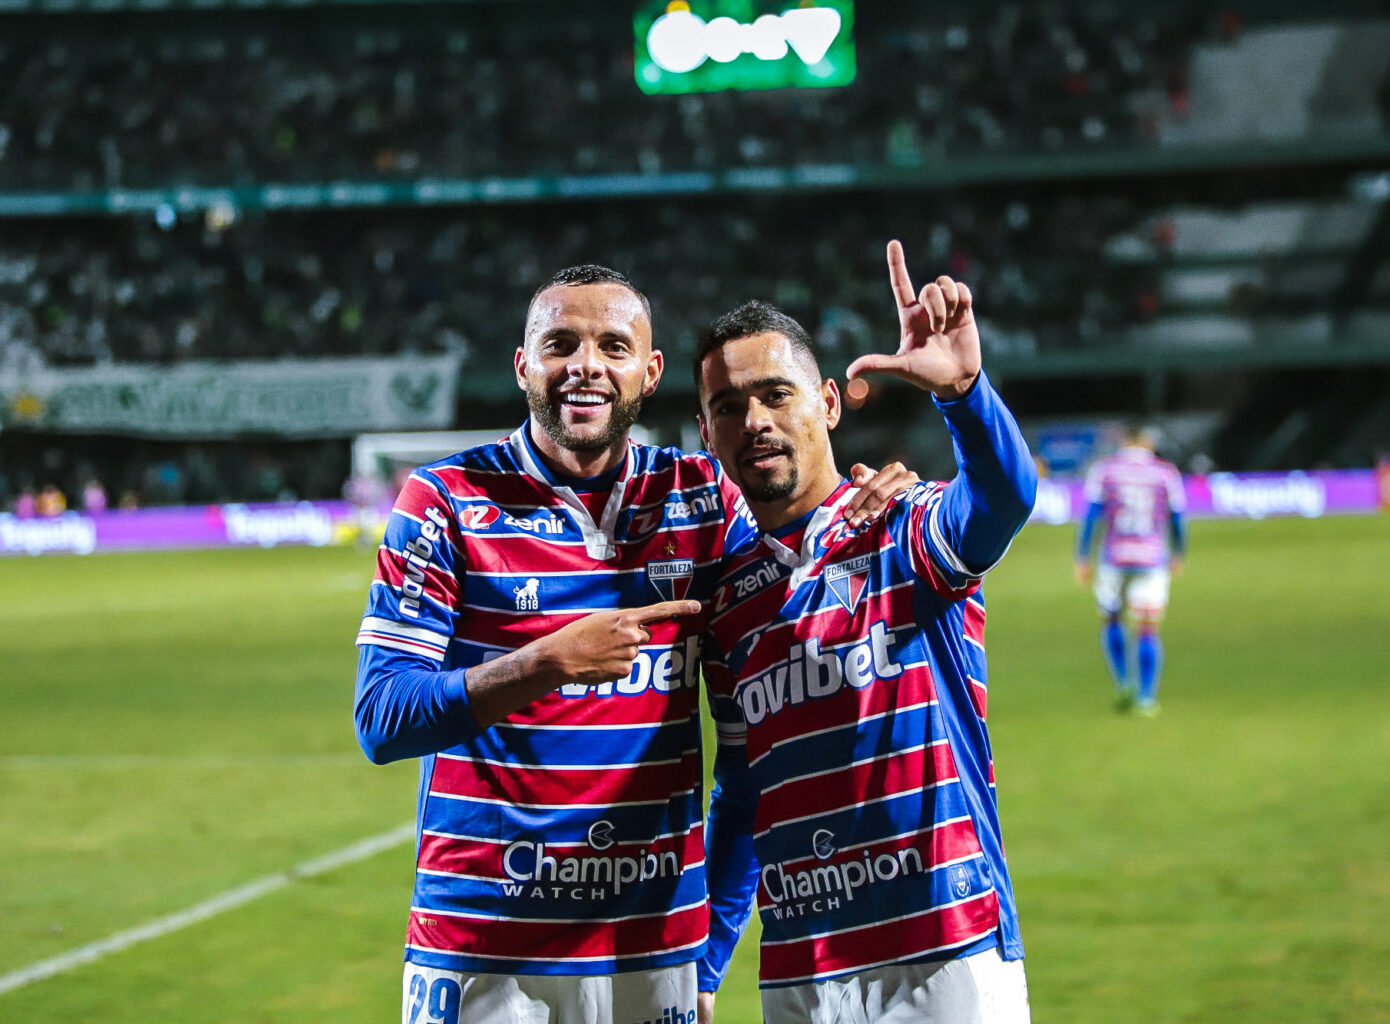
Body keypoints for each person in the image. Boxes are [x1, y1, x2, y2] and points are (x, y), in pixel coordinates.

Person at [353, 264, 915, 1024]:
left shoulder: (702, 500)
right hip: (485, 946)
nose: (585, 365)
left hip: (654, 955)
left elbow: (750, 754)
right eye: (560, 344)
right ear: (523, 366)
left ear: (648, 373)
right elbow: (383, 718)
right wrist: (546, 662)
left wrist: (866, 519)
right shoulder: (445, 500)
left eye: (613, 346)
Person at [694, 242, 1037, 1023]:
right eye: (728, 406)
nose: (755, 421)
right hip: (800, 969)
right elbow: (745, 790)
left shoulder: (902, 527)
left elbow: (1003, 501)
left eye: (776, 394)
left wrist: (964, 395)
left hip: (943, 949)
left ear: (827, 403)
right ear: (707, 433)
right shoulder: (728, 606)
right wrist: (706, 964)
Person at [1073, 424, 1187, 715]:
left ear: (1124, 441)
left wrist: (1083, 556)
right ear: (1147, 441)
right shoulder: (1165, 473)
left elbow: (1091, 516)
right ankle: (1147, 697)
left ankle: (1124, 682)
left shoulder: (1105, 471)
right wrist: (1179, 552)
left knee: (1112, 618)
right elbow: (1177, 518)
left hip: (1114, 558)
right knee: (1147, 627)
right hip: (1151, 559)